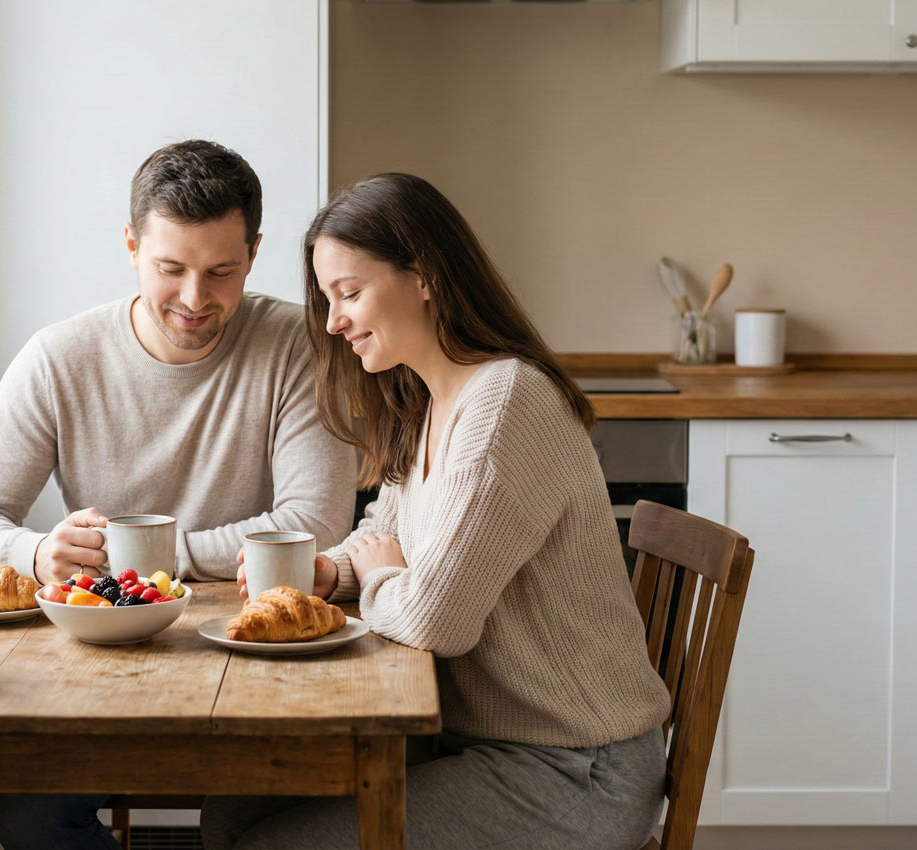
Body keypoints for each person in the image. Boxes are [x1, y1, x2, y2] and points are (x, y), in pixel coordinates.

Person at [204, 173, 673, 850]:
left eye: (350, 293)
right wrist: (331, 576)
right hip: (480, 743)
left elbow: (433, 620)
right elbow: (380, 534)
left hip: (576, 768)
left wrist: (382, 578)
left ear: (423, 276)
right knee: (230, 815)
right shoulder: (429, 403)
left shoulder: (505, 403)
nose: (334, 322)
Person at [0, 140, 356, 850]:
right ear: (132, 247)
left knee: (267, 820)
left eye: (222, 271)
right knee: (26, 810)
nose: (195, 300)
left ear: (253, 254)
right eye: (171, 269)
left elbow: (313, 521)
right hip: (105, 662)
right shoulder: (59, 357)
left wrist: (145, 564)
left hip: (258, 660)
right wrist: (37, 552)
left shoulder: (300, 345)